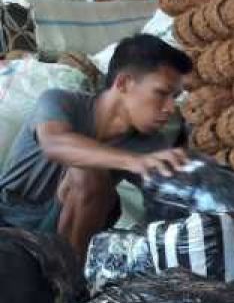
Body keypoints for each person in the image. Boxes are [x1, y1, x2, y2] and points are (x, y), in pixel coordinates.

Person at [0, 35, 193, 259]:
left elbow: (176, 197)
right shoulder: (60, 101)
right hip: (8, 222)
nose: (170, 108)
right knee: (87, 170)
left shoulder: (149, 145)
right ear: (123, 83)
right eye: (161, 93)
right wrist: (133, 161)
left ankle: (70, 281)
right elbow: (54, 143)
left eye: (175, 97)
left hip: (59, 238)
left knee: (102, 188)